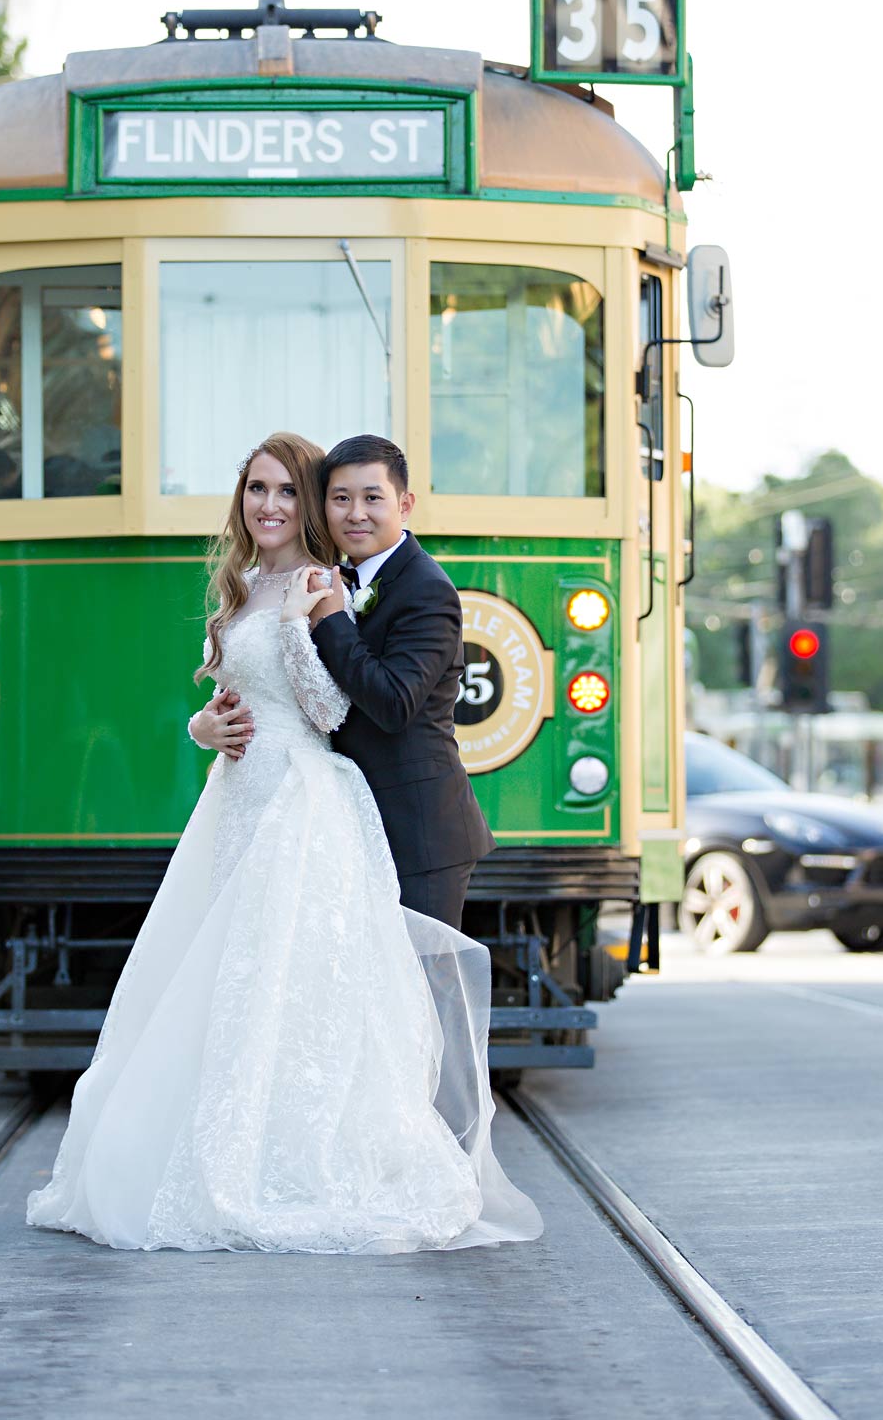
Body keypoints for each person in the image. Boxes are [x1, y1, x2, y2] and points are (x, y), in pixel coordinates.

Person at [27, 431, 539, 1255]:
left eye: (288, 491)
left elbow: (337, 709)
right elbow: (232, 694)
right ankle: (231, 1145)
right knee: (239, 977)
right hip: (241, 803)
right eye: (257, 489)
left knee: (370, 996)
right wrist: (203, 726)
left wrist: (314, 622)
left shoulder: (338, 587)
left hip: (332, 806)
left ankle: (422, 1157)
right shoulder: (242, 586)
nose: (271, 505)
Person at [307, 433, 495, 932]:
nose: (356, 514)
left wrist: (332, 622)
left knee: (422, 978)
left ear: (405, 505)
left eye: (373, 498)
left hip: (420, 833)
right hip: (352, 825)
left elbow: (394, 703)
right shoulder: (335, 580)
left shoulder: (427, 589)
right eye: (341, 498)